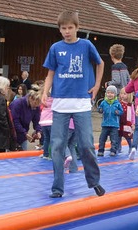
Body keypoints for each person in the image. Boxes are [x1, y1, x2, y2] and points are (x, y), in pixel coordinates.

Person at [41, 10, 105, 198]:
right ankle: (57, 188)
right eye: (63, 28)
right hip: (60, 103)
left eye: (70, 28)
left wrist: (97, 85)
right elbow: (50, 73)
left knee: (86, 145)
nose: (67, 31)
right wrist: (45, 92)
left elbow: (100, 63)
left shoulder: (85, 45)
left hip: (81, 103)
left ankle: (94, 181)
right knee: (58, 146)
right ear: (59, 29)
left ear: (77, 28)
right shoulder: (55, 48)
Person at [10, 85, 42, 151]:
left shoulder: (36, 106)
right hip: (12, 134)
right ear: (30, 99)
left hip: (23, 134)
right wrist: (25, 133)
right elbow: (14, 121)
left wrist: (38, 131)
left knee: (23, 155)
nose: (35, 106)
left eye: (38, 105)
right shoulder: (17, 104)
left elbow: (37, 120)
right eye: (35, 104)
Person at [97, 85, 123, 157]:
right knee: (102, 138)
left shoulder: (117, 103)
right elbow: (99, 109)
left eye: (112, 93)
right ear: (106, 94)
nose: (110, 94)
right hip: (105, 124)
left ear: (115, 94)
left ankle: (113, 150)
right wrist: (100, 110)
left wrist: (118, 112)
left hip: (114, 124)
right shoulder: (103, 102)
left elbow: (121, 112)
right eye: (108, 93)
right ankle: (101, 150)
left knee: (114, 139)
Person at [119, 88, 136, 160]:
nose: (122, 95)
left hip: (127, 123)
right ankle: (118, 148)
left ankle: (131, 147)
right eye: (121, 94)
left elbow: (133, 114)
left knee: (128, 137)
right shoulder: (118, 103)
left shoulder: (130, 105)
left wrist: (133, 123)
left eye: (124, 94)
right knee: (118, 136)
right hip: (119, 123)